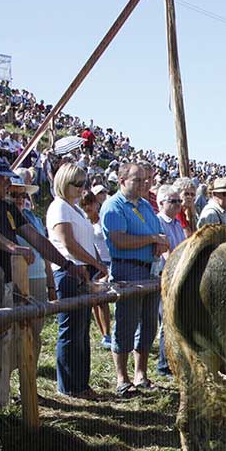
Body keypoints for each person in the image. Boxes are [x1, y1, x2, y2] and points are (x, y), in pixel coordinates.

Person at [0, 157, 88, 411]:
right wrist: (10, 246)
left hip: (5, 284)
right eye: (3, 178)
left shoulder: (7, 207)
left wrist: (67, 265)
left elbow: (35, 238)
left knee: (3, 345)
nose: (8, 184)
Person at [100, 162, 169, 397]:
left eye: (145, 179)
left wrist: (158, 244)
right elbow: (120, 240)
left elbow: (158, 234)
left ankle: (141, 374)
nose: (144, 184)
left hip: (150, 269)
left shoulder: (145, 206)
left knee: (149, 323)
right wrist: (152, 239)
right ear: (122, 181)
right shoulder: (114, 206)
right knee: (127, 322)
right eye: (137, 180)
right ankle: (122, 378)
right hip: (128, 270)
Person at [47, 164, 109, 399]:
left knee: (82, 331)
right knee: (71, 330)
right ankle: (69, 386)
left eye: (84, 183)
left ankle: (81, 383)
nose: (82, 188)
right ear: (65, 183)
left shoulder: (75, 209)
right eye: (77, 183)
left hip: (82, 270)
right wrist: (98, 264)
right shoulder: (59, 208)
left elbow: (85, 241)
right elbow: (69, 243)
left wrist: (95, 263)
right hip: (69, 270)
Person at [8, 171, 54, 371]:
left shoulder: (32, 218)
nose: (19, 199)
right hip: (15, 281)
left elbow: (45, 252)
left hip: (38, 279)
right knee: (12, 334)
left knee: (35, 333)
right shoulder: (2, 218)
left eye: (23, 195)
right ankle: (8, 388)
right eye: (14, 195)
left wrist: (51, 284)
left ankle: (30, 385)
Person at [154, 184, 187, 378]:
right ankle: (163, 364)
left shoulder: (176, 224)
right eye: (173, 201)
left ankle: (174, 361)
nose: (177, 205)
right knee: (166, 321)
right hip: (165, 275)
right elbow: (166, 251)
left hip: (176, 274)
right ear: (161, 203)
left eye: (179, 201)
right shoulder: (159, 222)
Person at [81, 188, 112, 349]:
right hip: (92, 263)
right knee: (95, 301)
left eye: (90, 204)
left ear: (95, 203)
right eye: (84, 205)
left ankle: (108, 332)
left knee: (103, 300)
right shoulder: (84, 223)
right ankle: (104, 335)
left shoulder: (103, 221)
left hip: (106, 262)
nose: (87, 208)